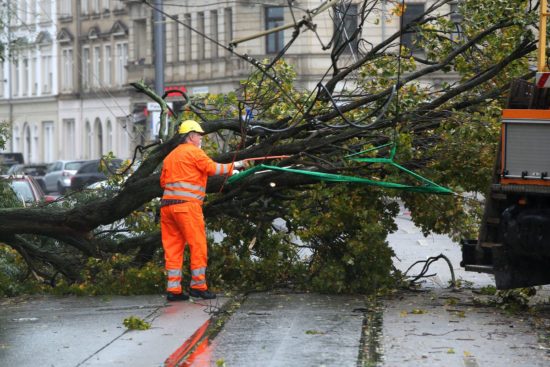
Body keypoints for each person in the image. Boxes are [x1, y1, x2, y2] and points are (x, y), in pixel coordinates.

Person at [160, 119, 245, 301]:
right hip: (187, 207)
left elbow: (163, 182)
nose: (200, 139)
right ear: (191, 136)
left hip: (167, 207)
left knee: (173, 248)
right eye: (199, 135)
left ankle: (173, 290)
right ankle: (198, 286)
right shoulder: (193, 153)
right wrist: (235, 166)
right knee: (197, 245)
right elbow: (212, 168)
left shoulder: (170, 156)